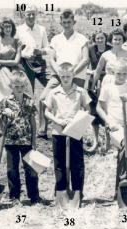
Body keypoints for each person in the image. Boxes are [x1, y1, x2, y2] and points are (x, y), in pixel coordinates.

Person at [44, 62, 91, 201]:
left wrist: (77, 121)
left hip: (75, 132)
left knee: (77, 164)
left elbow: (88, 110)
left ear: (73, 75)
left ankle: (77, 192)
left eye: (68, 76)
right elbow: (47, 111)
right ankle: (61, 190)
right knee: (59, 164)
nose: (65, 79)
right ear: (59, 76)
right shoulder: (54, 92)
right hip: (58, 132)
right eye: (62, 76)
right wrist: (57, 121)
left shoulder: (80, 92)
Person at [43, 10, 90, 139]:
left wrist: (72, 73)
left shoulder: (82, 39)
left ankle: (77, 133)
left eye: (69, 22)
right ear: (61, 23)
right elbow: (51, 59)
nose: (67, 25)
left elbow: (86, 59)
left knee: (76, 105)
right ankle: (43, 130)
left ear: (73, 22)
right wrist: (59, 71)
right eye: (64, 22)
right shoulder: (55, 39)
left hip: (76, 75)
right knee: (43, 99)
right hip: (59, 75)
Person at [95, 61, 127, 199]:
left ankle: (122, 190)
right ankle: (123, 178)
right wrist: (109, 122)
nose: (121, 76)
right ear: (113, 73)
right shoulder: (107, 87)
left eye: (125, 73)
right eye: (118, 73)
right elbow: (99, 108)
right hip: (114, 126)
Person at [0, 74, 39, 205]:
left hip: (26, 140)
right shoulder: (5, 101)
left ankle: (34, 196)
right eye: (16, 86)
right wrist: (4, 117)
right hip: (11, 141)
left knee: (30, 169)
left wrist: (34, 140)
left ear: (25, 86)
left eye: (22, 86)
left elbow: (33, 121)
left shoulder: (29, 101)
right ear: (11, 87)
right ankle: (14, 196)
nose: (19, 89)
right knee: (12, 169)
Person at [0, 18, 26, 106]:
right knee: (1, 100)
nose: (7, 29)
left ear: (12, 27)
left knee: (17, 99)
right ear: (1, 28)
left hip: (14, 73)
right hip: (0, 75)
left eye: (9, 26)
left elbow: (16, 62)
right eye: (5, 27)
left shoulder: (17, 42)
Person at [16, 5, 50, 89]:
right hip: (24, 64)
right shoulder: (18, 30)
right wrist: (24, 54)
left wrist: (41, 51)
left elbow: (47, 48)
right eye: (28, 14)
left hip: (40, 62)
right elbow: (15, 50)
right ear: (24, 15)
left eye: (33, 14)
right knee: (28, 91)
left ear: (36, 15)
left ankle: (46, 101)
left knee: (51, 87)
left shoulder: (42, 29)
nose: (31, 17)